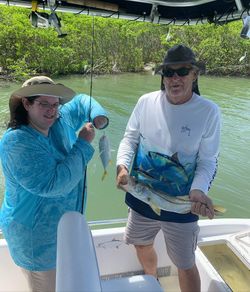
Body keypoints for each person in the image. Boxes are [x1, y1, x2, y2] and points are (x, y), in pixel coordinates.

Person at [116, 44, 221, 292]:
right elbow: (130, 138)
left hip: (182, 202)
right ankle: (152, 282)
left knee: (184, 263)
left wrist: (198, 191)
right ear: (162, 76)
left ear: (194, 75)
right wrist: (122, 166)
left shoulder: (208, 112)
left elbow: (208, 160)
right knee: (140, 244)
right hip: (141, 194)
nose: (175, 78)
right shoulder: (145, 102)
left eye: (182, 71)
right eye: (168, 73)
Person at [0, 76, 108, 292]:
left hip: (60, 230)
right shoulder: (17, 142)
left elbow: (80, 101)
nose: (51, 110)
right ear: (26, 103)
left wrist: (98, 115)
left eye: (55, 104)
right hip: (35, 240)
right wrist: (83, 144)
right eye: (43, 104)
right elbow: (53, 184)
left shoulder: (58, 119)